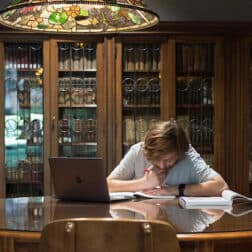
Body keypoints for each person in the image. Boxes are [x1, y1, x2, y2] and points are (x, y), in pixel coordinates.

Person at [107, 119, 228, 197]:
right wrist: (143, 183)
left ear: (180, 154)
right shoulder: (138, 150)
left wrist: (173, 190)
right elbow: (108, 185)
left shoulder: (188, 156)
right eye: (155, 159)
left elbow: (220, 186)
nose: (162, 166)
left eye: (169, 160)